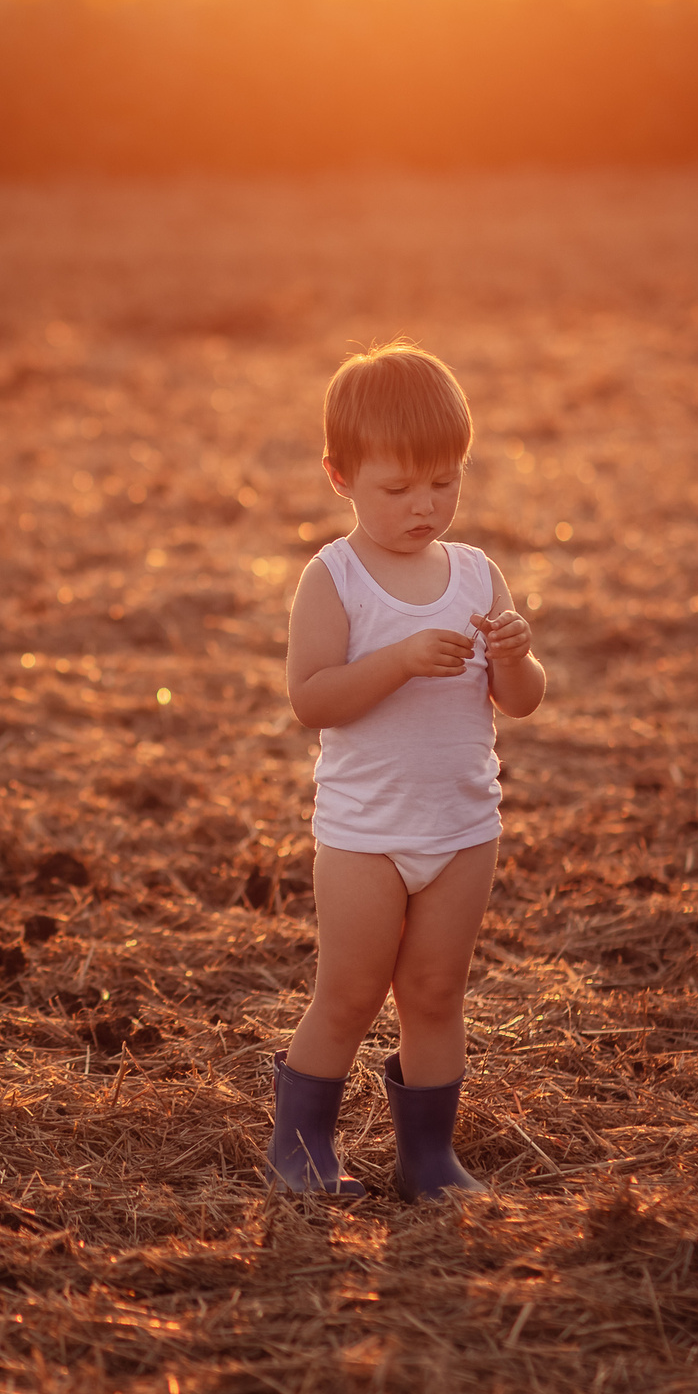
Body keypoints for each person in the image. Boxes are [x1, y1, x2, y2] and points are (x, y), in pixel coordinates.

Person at [269, 340, 547, 1199]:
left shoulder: (475, 573)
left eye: (445, 481)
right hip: (365, 834)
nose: (426, 506)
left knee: (434, 993)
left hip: (462, 827)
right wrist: (396, 660)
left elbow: (523, 701)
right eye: (399, 488)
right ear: (340, 476)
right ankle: (300, 1146)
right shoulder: (336, 577)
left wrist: (514, 655)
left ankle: (429, 1158)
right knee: (350, 992)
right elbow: (311, 698)